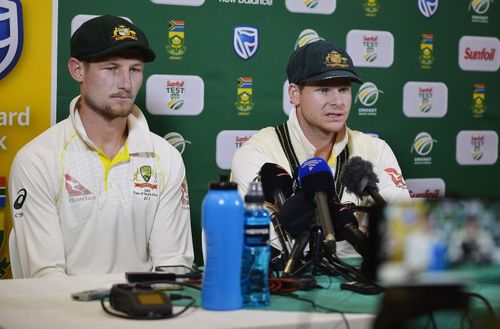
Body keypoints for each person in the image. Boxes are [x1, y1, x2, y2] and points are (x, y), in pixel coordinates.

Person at [8, 15, 194, 278]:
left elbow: (172, 267)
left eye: (135, 69)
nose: (126, 83)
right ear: (77, 70)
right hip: (62, 316)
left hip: (143, 314)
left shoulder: (167, 158)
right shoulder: (38, 159)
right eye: (111, 68)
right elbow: (45, 277)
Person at [231, 40, 411, 258]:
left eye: (344, 89)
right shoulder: (257, 154)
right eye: (324, 90)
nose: (338, 101)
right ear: (294, 93)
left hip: (360, 284)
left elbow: (403, 233)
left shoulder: (375, 150)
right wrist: (359, 232)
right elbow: (268, 245)